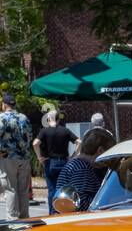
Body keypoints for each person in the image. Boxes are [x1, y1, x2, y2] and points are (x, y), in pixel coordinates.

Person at [53, 127, 115, 213]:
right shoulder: (82, 170)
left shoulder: (77, 164)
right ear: (100, 150)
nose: (110, 159)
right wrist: (109, 199)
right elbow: (81, 205)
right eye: (109, 153)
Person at [34, 111, 79, 211]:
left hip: (50, 163)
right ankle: (64, 210)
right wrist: (73, 156)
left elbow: (35, 143)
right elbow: (79, 141)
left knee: (52, 189)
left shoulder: (44, 131)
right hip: (64, 162)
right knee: (64, 189)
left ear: (48, 119)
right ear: (58, 119)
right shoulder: (65, 131)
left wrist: (39, 157)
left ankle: (52, 212)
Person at [0, 93, 34, 221]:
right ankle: (24, 218)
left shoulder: (2, 118)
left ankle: (13, 219)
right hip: (24, 157)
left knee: (10, 189)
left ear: (4, 104)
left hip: (8, 157)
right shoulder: (24, 118)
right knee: (23, 190)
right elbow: (30, 135)